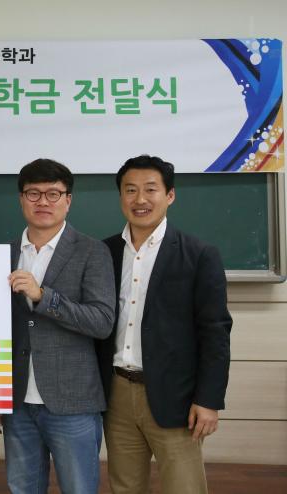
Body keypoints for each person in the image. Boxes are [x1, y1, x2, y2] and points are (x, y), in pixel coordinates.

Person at [96, 155, 232, 494]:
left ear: (170, 195)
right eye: (130, 190)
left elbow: (215, 333)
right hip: (116, 393)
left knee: (184, 487)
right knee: (125, 486)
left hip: (177, 396)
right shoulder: (103, 252)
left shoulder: (199, 254)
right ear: (121, 197)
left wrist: (209, 400)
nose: (140, 199)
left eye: (150, 189)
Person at [0, 158, 114, 494]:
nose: (43, 201)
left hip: (73, 402)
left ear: (68, 200)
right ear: (21, 199)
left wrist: (44, 297)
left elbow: (102, 322)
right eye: (34, 193)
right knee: (22, 488)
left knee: (79, 489)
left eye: (53, 194)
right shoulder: (2, 255)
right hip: (17, 403)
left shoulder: (92, 251)